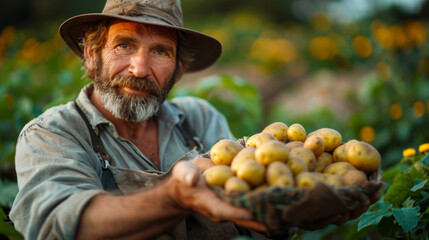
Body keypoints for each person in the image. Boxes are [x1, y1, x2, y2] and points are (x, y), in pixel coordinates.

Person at [9, 0, 378, 239]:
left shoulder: (200, 119)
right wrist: (175, 197)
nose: (140, 68)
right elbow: (56, 227)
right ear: (92, 55)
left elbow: (244, 213)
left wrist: (291, 212)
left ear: (179, 71)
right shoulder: (52, 134)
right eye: (124, 45)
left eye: (160, 52)